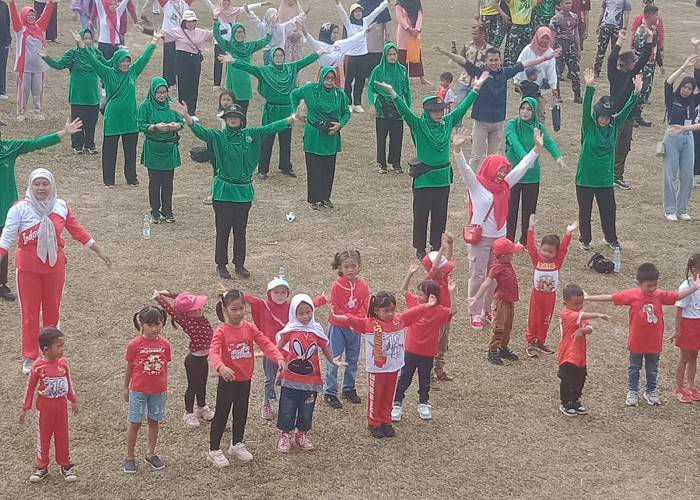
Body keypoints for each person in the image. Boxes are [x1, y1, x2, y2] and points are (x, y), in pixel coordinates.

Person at [170, 99, 306, 279]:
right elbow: (200, 131)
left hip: (243, 192)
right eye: (230, 116)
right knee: (223, 229)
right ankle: (221, 264)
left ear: (242, 119)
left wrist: (293, 117)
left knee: (240, 230)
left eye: (236, 116)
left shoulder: (252, 134)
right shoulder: (218, 136)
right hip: (223, 191)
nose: (233, 119)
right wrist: (187, 116)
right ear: (225, 119)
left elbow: (272, 127)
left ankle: (239, 264)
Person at [0, 167, 111, 375]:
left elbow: (77, 231)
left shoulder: (60, 206)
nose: (41, 188)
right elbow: (5, 239)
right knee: (30, 314)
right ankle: (30, 356)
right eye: (37, 184)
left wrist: (99, 250)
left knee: (53, 311)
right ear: (30, 186)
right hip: (27, 270)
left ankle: (51, 353)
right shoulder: (19, 209)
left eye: (45, 184)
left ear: (51, 186)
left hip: (55, 268)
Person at [374, 72, 487, 259]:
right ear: (427, 111)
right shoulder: (418, 124)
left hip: (442, 178)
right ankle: (420, 248)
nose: (438, 112)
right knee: (421, 215)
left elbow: (463, 107)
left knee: (440, 214)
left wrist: (476, 88)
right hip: (424, 179)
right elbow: (404, 111)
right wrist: (393, 93)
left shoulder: (447, 122)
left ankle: (436, 245)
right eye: (434, 110)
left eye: (440, 109)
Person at [452, 125, 543, 331]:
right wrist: (457, 151)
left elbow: (520, 169)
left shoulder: (504, 185)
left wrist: (536, 150)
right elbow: (465, 170)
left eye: (504, 171)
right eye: (499, 170)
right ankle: (474, 311)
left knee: (494, 276)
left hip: (500, 240)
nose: (503, 174)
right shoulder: (476, 185)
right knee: (477, 274)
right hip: (481, 238)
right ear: (491, 168)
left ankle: (486, 308)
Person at [585, 263, 700, 407]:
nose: (652, 289)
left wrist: (694, 287)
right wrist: (589, 298)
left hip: (654, 342)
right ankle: (633, 391)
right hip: (637, 341)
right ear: (639, 284)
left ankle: (650, 391)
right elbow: (611, 297)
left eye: (655, 285)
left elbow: (677, 296)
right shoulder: (632, 295)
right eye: (649, 286)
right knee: (634, 367)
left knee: (652, 368)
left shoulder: (659, 295)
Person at [433, 44, 559, 171]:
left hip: (498, 122)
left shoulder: (505, 72)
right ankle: (470, 186)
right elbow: (463, 61)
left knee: (493, 157)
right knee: (476, 156)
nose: (493, 63)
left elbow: (525, 63)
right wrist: (445, 52)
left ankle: (490, 184)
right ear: (485, 61)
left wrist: (544, 58)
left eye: (496, 60)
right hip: (481, 122)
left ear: (501, 60)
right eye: (490, 60)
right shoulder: (480, 72)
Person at [329, 290, 437, 435]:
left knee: (389, 394)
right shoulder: (369, 324)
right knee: (376, 395)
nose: (390, 314)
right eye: (386, 311)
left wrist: (427, 306)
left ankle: (386, 420)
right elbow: (351, 319)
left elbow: (413, 312)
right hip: (377, 368)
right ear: (376, 310)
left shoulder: (399, 320)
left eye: (392, 310)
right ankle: (374, 422)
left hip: (393, 367)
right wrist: (335, 316)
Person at [0, 120, 83, 304]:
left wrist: (63, 132)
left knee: (3, 245)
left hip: (5, 207)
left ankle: (2, 284)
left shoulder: (8, 147)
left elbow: (35, 143)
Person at [72, 28, 164, 188]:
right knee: (110, 150)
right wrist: (81, 44)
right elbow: (93, 60)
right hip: (113, 118)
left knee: (130, 150)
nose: (126, 64)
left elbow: (144, 58)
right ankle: (109, 179)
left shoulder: (133, 72)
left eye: (128, 61)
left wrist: (154, 40)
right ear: (116, 61)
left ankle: (131, 177)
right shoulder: (107, 73)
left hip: (130, 119)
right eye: (123, 61)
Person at [206, 289, 285, 468]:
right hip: (227, 381)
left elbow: (264, 342)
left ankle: (237, 444)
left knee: (241, 412)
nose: (239, 312)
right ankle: (214, 450)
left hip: (245, 379)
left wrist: (277, 356)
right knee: (222, 414)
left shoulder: (249, 327)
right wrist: (221, 367)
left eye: (241, 308)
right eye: (234, 309)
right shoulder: (221, 331)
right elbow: (213, 351)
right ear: (225, 310)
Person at [219, 45, 322, 179]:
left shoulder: (291, 68)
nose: (279, 58)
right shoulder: (265, 70)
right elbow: (250, 68)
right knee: (267, 139)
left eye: (281, 56)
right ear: (272, 57)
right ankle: (263, 169)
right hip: (271, 109)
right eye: (276, 56)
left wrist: (319, 52)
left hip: (286, 109)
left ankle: (285, 166)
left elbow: (305, 61)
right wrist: (234, 61)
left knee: (286, 140)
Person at [575, 69, 641, 251]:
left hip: (604, 179)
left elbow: (626, 111)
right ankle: (585, 239)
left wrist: (635, 93)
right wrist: (589, 87)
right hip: (585, 178)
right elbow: (585, 107)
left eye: (606, 116)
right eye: (601, 116)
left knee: (609, 209)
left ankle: (610, 238)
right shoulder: (588, 126)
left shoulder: (614, 126)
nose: (603, 119)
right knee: (585, 211)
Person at [245, 277, 325, 420]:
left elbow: (308, 305)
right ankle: (266, 403)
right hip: (271, 350)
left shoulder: (291, 307)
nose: (280, 295)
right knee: (269, 378)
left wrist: (322, 299)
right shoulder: (264, 305)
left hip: (289, 351)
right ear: (270, 293)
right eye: (276, 292)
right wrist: (230, 293)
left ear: (288, 293)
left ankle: (289, 404)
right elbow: (250, 299)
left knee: (289, 379)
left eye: (283, 292)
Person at [275, 294, 345, 451]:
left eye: (308, 312)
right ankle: (285, 435)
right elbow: (276, 348)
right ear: (294, 313)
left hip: (311, 381)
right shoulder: (290, 331)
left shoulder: (316, 331)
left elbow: (325, 347)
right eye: (300, 313)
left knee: (306, 409)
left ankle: (302, 434)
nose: (305, 316)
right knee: (287, 407)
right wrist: (274, 357)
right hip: (290, 379)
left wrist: (333, 360)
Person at [394, 266, 456, 419]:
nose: (418, 296)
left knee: (425, 379)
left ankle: (423, 403)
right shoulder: (415, 304)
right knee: (404, 378)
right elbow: (403, 290)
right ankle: (396, 403)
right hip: (410, 350)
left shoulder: (440, 310)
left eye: (421, 294)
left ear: (431, 296)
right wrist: (409, 273)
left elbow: (453, 311)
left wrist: (452, 293)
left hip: (427, 352)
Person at [20, 327, 79, 483]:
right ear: (46, 350)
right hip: (44, 407)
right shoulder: (37, 367)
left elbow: (67, 382)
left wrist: (72, 399)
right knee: (44, 436)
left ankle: (65, 465)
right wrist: (25, 407)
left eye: (62, 345)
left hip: (60, 406)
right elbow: (30, 387)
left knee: (62, 435)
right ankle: (42, 466)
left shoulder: (63, 363)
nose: (62, 349)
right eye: (58, 346)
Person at [290, 66, 351, 210]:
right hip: (314, 135)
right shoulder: (310, 89)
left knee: (328, 167)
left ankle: (325, 197)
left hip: (330, 136)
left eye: (332, 78)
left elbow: (346, 112)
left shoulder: (340, 95)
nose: (329, 81)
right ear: (321, 78)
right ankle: (314, 199)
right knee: (314, 167)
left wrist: (340, 125)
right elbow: (293, 94)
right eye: (327, 78)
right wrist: (296, 112)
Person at [505, 96, 564, 245]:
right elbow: (513, 140)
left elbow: (548, 142)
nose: (525, 112)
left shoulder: (539, 127)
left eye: (529, 109)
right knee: (510, 211)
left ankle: (525, 241)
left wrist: (558, 157)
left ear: (535, 111)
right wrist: (525, 156)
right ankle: (508, 241)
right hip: (513, 175)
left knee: (529, 211)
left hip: (532, 176)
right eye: (523, 108)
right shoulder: (512, 124)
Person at [153, 290, 215, 426]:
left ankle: (201, 407)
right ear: (186, 313)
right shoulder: (186, 321)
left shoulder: (201, 317)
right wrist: (159, 298)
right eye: (195, 309)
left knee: (202, 385)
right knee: (193, 386)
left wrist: (168, 293)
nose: (199, 309)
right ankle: (188, 412)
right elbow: (171, 310)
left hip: (203, 359)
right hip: (194, 361)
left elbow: (183, 297)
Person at [319, 250, 369, 409]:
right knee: (334, 358)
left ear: (359, 266)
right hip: (338, 327)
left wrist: (356, 321)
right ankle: (330, 391)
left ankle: (348, 388)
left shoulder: (363, 285)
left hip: (355, 328)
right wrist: (348, 319)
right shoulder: (337, 285)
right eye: (346, 266)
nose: (350, 270)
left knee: (352, 359)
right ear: (340, 268)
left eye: (354, 266)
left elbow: (364, 305)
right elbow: (336, 307)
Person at [41, 28, 105, 155]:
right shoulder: (72, 54)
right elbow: (58, 64)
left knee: (92, 121)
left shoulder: (97, 54)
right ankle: (77, 145)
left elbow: (106, 67)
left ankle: (90, 144)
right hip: (78, 95)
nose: (87, 41)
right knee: (78, 120)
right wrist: (46, 57)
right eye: (84, 38)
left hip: (93, 95)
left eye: (89, 39)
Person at [124, 306, 171, 473]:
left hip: (158, 391)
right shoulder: (134, 344)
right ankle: (130, 456)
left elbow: (165, 366)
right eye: (150, 325)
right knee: (135, 423)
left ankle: (151, 453)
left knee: (154, 421)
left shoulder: (165, 344)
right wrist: (126, 387)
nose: (154, 329)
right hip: (138, 390)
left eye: (157, 324)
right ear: (141, 324)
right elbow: (130, 366)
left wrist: (163, 386)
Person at [524, 214, 576, 357]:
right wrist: (530, 228)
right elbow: (530, 246)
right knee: (534, 317)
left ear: (556, 252)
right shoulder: (537, 259)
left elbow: (564, 248)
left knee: (546, 318)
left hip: (550, 296)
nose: (546, 254)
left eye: (550, 252)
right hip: (537, 295)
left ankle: (541, 340)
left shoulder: (557, 261)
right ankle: (532, 341)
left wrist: (568, 233)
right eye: (544, 250)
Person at [608, 27, 653, 190]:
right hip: (615, 116)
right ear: (626, 64)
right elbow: (611, 59)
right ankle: (609, 174)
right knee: (613, 147)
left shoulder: (632, 74)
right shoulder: (614, 75)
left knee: (624, 148)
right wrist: (620, 40)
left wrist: (650, 38)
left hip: (628, 119)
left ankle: (617, 176)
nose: (636, 63)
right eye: (632, 62)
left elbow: (644, 58)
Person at [469, 237, 523, 365]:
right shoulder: (496, 267)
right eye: (511, 253)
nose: (513, 255)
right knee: (499, 326)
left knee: (508, 326)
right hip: (501, 301)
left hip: (510, 300)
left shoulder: (506, 263)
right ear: (503, 256)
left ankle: (503, 348)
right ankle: (493, 350)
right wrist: (476, 297)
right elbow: (487, 283)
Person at [137, 77, 184, 224]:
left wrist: (176, 125)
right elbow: (140, 125)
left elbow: (182, 122)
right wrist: (155, 127)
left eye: (164, 92)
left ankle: (168, 211)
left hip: (169, 148)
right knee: (155, 182)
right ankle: (155, 211)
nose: (162, 95)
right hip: (153, 148)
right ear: (153, 92)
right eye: (158, 92)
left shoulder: (172, 105)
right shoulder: (145, 106)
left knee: (168, 182)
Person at [556, 284, 608, 416]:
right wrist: (598, 314)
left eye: (581, 304)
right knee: (567, 379)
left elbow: (589, 329)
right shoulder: (566, 314)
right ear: (565, 303)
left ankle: (575, 400)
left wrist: (582, 330)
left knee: (580, 378)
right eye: (575, 304)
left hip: (580, 354)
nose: (579, 307)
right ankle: (565, 402)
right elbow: (583, 317)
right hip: (568, 353)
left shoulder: (580, 314)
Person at [661, 55, 699, 222]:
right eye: (684, 87)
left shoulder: (694, 101)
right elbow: (668, 83)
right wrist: (684, 66)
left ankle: (682, 208)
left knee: (688, 176)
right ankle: (669, 209)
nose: (686, 90)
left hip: (688, 137)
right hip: (671, 138)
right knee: (670, 175)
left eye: (689, 88)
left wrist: (696, 68)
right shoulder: (673, 98)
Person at [334, 0, 389, 112]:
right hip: (351, 56)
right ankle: (348, 103)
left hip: (363, 56)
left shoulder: (365, 21)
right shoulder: (349, 23)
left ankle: (357, 103)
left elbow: (376, 11)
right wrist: (337, 3)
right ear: (352, 13)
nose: (358, 14)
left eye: (360, 11)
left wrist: (386, 3)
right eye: (356, 12)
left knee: (360, 80)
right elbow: (342, 13)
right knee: (349, 80)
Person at [213, 20, 271, 121]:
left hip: (245, 87)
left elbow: (265, 40)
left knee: (242, 115)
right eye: (237, 32)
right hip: (232, 85)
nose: (239, 34)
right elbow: (217, 36)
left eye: (241, 32)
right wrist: (216, 21)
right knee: (231, 115)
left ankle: (242, 134)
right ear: (233, 33)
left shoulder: (249, 47)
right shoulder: (228, 46)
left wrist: (273, 25)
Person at [367, 42, 411, 174]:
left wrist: (407, 106)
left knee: (397, 136)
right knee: (382, 136)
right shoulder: (378, 70)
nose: (392, 57)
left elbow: (407, 88)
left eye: (394, 54)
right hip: (382, 106)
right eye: (390, 54)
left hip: (398, 105)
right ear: (385, 55)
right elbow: (370, 87)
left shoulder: (402, 70)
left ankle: (396, 163)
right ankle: (382, 163)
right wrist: (371, 105)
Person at [162, 9, 213, 116]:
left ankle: (192, 112)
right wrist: (144, 30)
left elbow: (215, 34)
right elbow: (161, 34)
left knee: (194, 86)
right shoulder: (177, 31)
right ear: (184, 21)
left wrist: (226, 26)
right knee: (182, 86)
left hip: (195, 61)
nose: (191, 24)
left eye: (193, 21)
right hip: (182, 60)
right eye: (189, 21)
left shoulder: (200, 32)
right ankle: (182, 111)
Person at [10, 0, 54, 120]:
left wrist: (50, 3)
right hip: (24, 67)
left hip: (39, 66)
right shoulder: (20, 29)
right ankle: (21, 112)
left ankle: (38, 111)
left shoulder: (40, 27)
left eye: (33, 15)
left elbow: (46, 15)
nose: (31, 17)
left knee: (38, 89)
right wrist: (12, 3)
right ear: (24, 16)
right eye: (28, 15)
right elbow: (14, 17)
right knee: (23, 90)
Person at [420, 233, 456, 381]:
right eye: (444, 267)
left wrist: (451, 244)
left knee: (442, 345)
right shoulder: (431, 280)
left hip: (446, 315)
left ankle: (439, 370)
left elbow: (446, 260)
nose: (446, 269)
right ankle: (429, 376)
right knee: (433, 346)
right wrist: (441, 247)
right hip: (436, 318)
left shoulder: (444, 276)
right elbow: (435, 267)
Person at [299, 20, 367, 88]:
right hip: (324, 73)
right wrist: (303, 29)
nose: (335, 35)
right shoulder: (320, 45)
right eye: (334, 33)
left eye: (337, 33)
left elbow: (353, 39)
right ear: (327, 32)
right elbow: (309, 38)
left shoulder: (340, 44)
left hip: (335, 73)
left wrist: (365, 31)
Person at [669, 254, 700, 403]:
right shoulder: (686, 287)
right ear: (694, 270)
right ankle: (679, 389)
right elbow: (679, 310)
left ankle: (690, 386)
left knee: (694, 356)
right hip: (688, 324)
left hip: (698, 324)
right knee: (685, 358)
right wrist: (677, 330)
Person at [513, 26, 559, 123]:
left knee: (540, 114)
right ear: (537, 37)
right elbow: (519, 65)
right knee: (525, 114)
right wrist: (516, 81)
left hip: (540, 90)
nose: (545, 41)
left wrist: (553, 87)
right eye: (543, 37)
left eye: (547, 38)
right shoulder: (527, 50)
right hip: (526, 89)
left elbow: (551, 70)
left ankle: (539, 136)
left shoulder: (550, 52)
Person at [629, 2, 664, 127]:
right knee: (639, 89)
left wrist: (659, 63)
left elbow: (656, 47)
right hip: (642, 65)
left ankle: (638, 114)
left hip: (651, 64)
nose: (657, 18)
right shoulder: (641, 31)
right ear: (649, 15)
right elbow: (639, 50)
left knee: (646, 91)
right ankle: (631, 115)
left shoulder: (653, 29)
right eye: (655, 15)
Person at [453, 24, 493, 127]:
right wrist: (456, 55)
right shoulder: (467, 46)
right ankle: (457, 130)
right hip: (465, 81)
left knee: (480, 110)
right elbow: (461, 62)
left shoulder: (490, 50)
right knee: (460, 108)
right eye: (472, 34)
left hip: (480, 83)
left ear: (482, 34)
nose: (473, 36)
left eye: (475, 34)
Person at [550, 0, 581, 103]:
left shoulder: (574, 17)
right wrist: (552, 51)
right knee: (557, 72)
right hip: (560, 46)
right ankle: (557, 95)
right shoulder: (556, 19)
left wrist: (578, 49)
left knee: (575, 71)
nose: (569, 5)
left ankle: (577, 95)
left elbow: (576, 33)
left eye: (570, 3)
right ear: (561, 4)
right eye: (566, 3)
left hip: (571, 46)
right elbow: (553, 36)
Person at [592, 0, 631, 77]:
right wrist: (599, 25)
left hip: (613, 27)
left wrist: (624, 27)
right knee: (605, 50)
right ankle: (599, 70)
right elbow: (603, 11)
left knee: (610, 51)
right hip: (608, 26)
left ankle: (601, 70)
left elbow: (626, 13)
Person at [395, 0, 428, 84]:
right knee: (402, 56)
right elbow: (399, 17)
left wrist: (417, 29)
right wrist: (408, 28)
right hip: (403, 33)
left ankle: (421, 78)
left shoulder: (416, 2)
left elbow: (419, 16)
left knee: (415, 56)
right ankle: (401, 77)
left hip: (415, 34)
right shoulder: (400, 3)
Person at [502, 0, 537, 66]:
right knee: (513, 52)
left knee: (527, 51)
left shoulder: (530, 1)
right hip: (516, 28)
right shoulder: (513, 2)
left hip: (527, 28)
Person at [359, 0, 392, 69]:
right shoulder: (361, 3)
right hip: (367, 37)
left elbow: (386, 21)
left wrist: (387, 35)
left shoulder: (361, 3)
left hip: (375, 38)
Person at [0, 0, 10, 100]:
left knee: (2, 66)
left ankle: (1, 90)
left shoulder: (4, 5)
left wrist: (9, 38)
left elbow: (7, 22)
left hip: (3, 41)